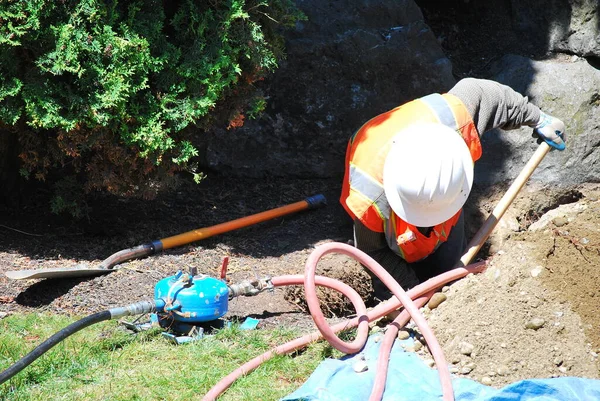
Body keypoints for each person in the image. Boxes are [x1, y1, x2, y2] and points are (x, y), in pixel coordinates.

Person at [340, 78, 566, 301]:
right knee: (391, 271)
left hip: (441, 189)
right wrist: (414, 292)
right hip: (372, 156)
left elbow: (488, 94)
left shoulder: (456, 122)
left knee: (448, 245)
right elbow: (373, 252)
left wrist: (538, 118)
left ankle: (446, 272)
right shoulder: (370, 197)